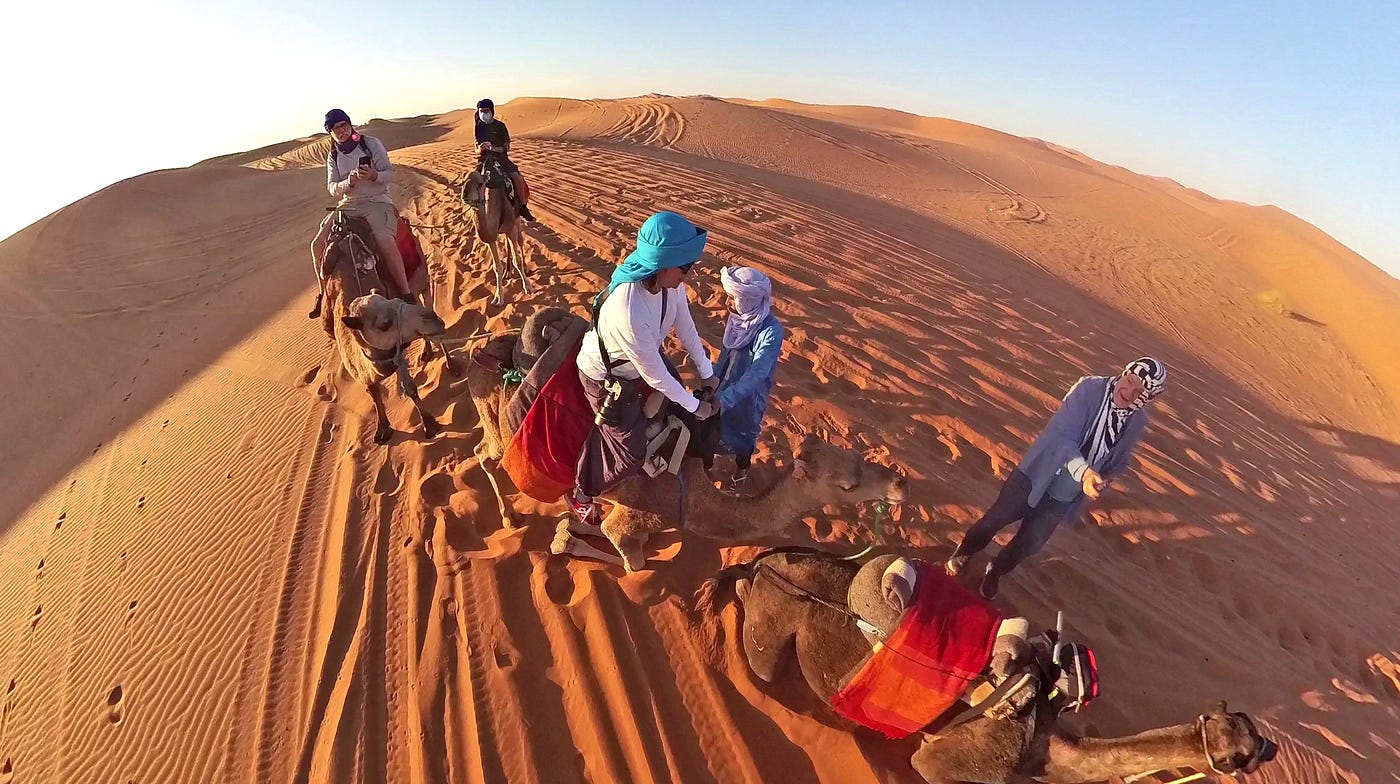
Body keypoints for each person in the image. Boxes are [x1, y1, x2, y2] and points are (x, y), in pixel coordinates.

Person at [945, 357, 1168, 599]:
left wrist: (1105, 478)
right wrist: (1085, 473)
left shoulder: (1136, 421)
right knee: (996, 519)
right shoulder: (1089, 390)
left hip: (1065, 494)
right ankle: (965, 551)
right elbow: (1062, 439)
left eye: (1140, 391)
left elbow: (1121, 458)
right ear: (1124, 372)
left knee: (1030, 543)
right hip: (1036, 473)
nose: (1130, 391)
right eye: (1130, 380)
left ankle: (996, 571)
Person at [569, 211, 719, 524]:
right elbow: (656, 377)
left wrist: (707, 373)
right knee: (629, 452)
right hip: (607, 377)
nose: (688, 274)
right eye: (685, 267)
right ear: (663, 266)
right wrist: (695, 406)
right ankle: (582, 492)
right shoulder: (629, 308)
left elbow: (686, 327)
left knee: (676, 400)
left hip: (642, 358)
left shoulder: (671, 286)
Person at [309, 109, 412, 318]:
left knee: (384, 240)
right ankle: (323, 295)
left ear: (350, 124)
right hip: (348, 204)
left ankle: (406, 293)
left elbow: (389, 174)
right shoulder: (334, 155)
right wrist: (349, 182)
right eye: (336, 128)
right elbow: (332, 187)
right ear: (330, 132)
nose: (341, 130)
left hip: (377, 201)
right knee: (317, 244)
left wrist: (374, 175)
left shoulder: (370, 143)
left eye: (344, 125)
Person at [707, 266, 784, 492]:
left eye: (733, 298)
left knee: (744, 432)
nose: (727, 303)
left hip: (750, 395)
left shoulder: (771, 330)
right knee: (710, 428)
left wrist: (726, 399)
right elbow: (725, 354)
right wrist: (712, 381)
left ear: (748, 300)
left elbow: (758, 372)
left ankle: (741, 472)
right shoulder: (737, 320)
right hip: (725, 386)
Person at [473, 98, 536, 222]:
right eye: (481, 111)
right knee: (471, 180)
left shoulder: (500, 126)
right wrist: (480, 148)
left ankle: (523, 207)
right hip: (483, 159)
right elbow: (475, 149)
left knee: (516, 177)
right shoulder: (478, 127)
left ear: (491, 111)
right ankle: (473, 209)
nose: (483, 113)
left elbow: (506, 147)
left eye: (486, 111)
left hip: (501, 158)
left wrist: (495, 148)